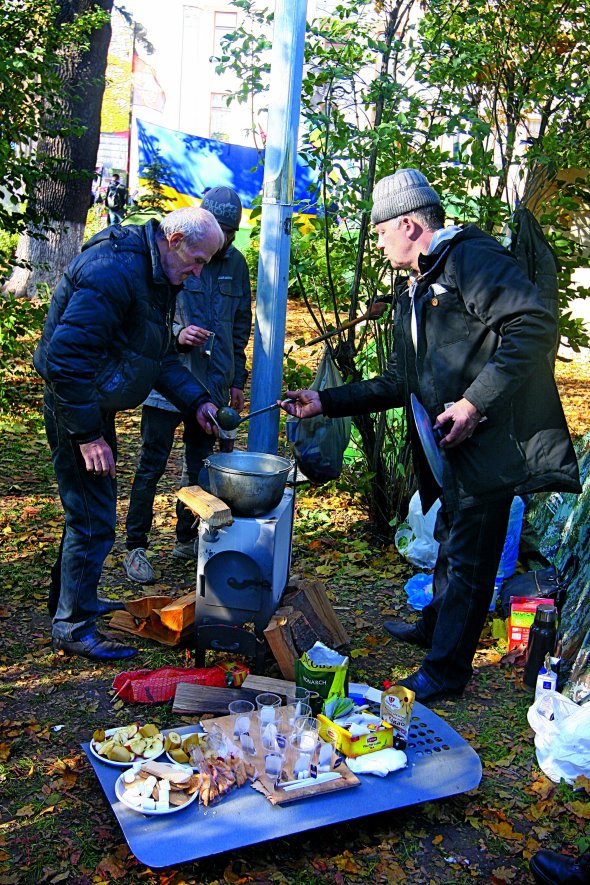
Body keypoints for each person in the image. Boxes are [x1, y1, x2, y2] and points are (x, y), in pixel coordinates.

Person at [281, 168, 581, 703]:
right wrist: (325, 401)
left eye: (379, 233)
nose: (377, 245)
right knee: (449, 536)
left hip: (492, 443)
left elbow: (534, 324)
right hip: (449, 446)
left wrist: (473, 403)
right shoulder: (420, 283)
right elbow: (403, 381)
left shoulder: (470, 258)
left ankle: (446, 672)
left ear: (410, 225)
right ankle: (434, 624)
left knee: (471, 556)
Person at [33, 207, 225, 661]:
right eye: (197, 260)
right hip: (76, 408)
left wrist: (197, 401)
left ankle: (73, 599)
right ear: (174, 238)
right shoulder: (114, 271)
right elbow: (65, 359)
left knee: (90, 507)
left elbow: (154, 356)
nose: (198, 273)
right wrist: (85, 435)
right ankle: (73, 626)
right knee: (93, 517)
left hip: (92, 406)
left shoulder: (153, 274)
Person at [123, 186, 252, 583]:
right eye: (220, 228)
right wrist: (179, 333)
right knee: (151, 465)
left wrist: (237, 378)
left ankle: (188, 539)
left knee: (200, 466)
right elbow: (152, 315)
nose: (225, 238)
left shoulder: (237, 264)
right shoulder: (174, 255)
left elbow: (240, 325)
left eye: (231, 232)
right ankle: (135, 546)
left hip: (212, 387)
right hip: (168, 381)